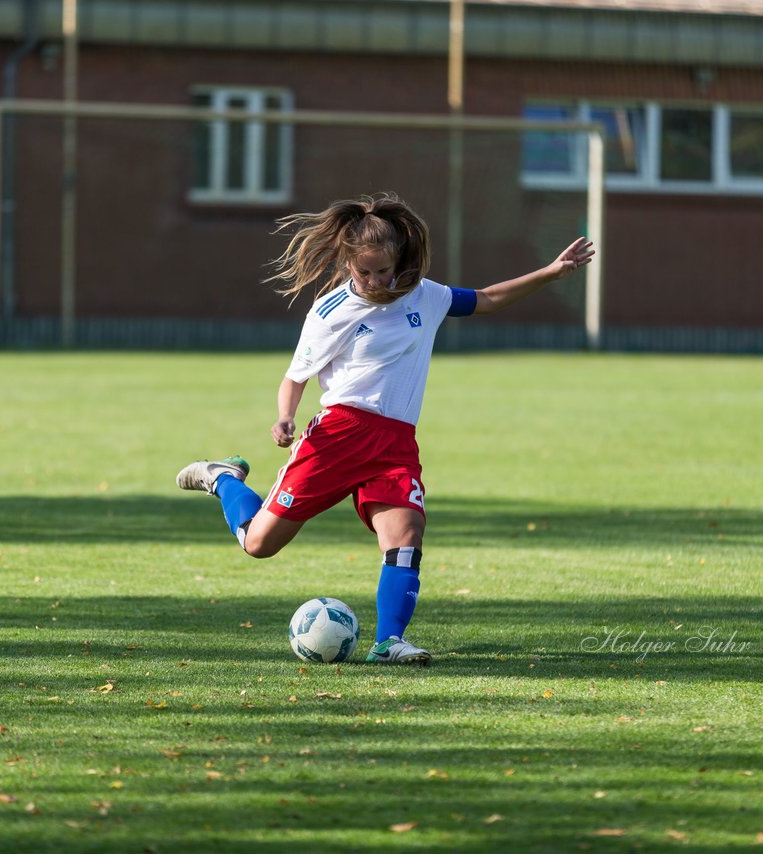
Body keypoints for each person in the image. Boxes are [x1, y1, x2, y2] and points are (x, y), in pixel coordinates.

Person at [176, 193, 594, 665]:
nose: (375, 282)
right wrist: (285, 417)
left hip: (395, 442)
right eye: (364, 273)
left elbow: (489, 299)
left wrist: (552, 273)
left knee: (406, 534)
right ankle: (223, 478)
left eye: (383, 271)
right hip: (338, 437)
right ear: (348, 263)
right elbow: (296, 377)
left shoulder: (426, 296)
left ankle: (388, 642)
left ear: (399, 259)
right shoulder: (331, 312)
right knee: (258, 544)